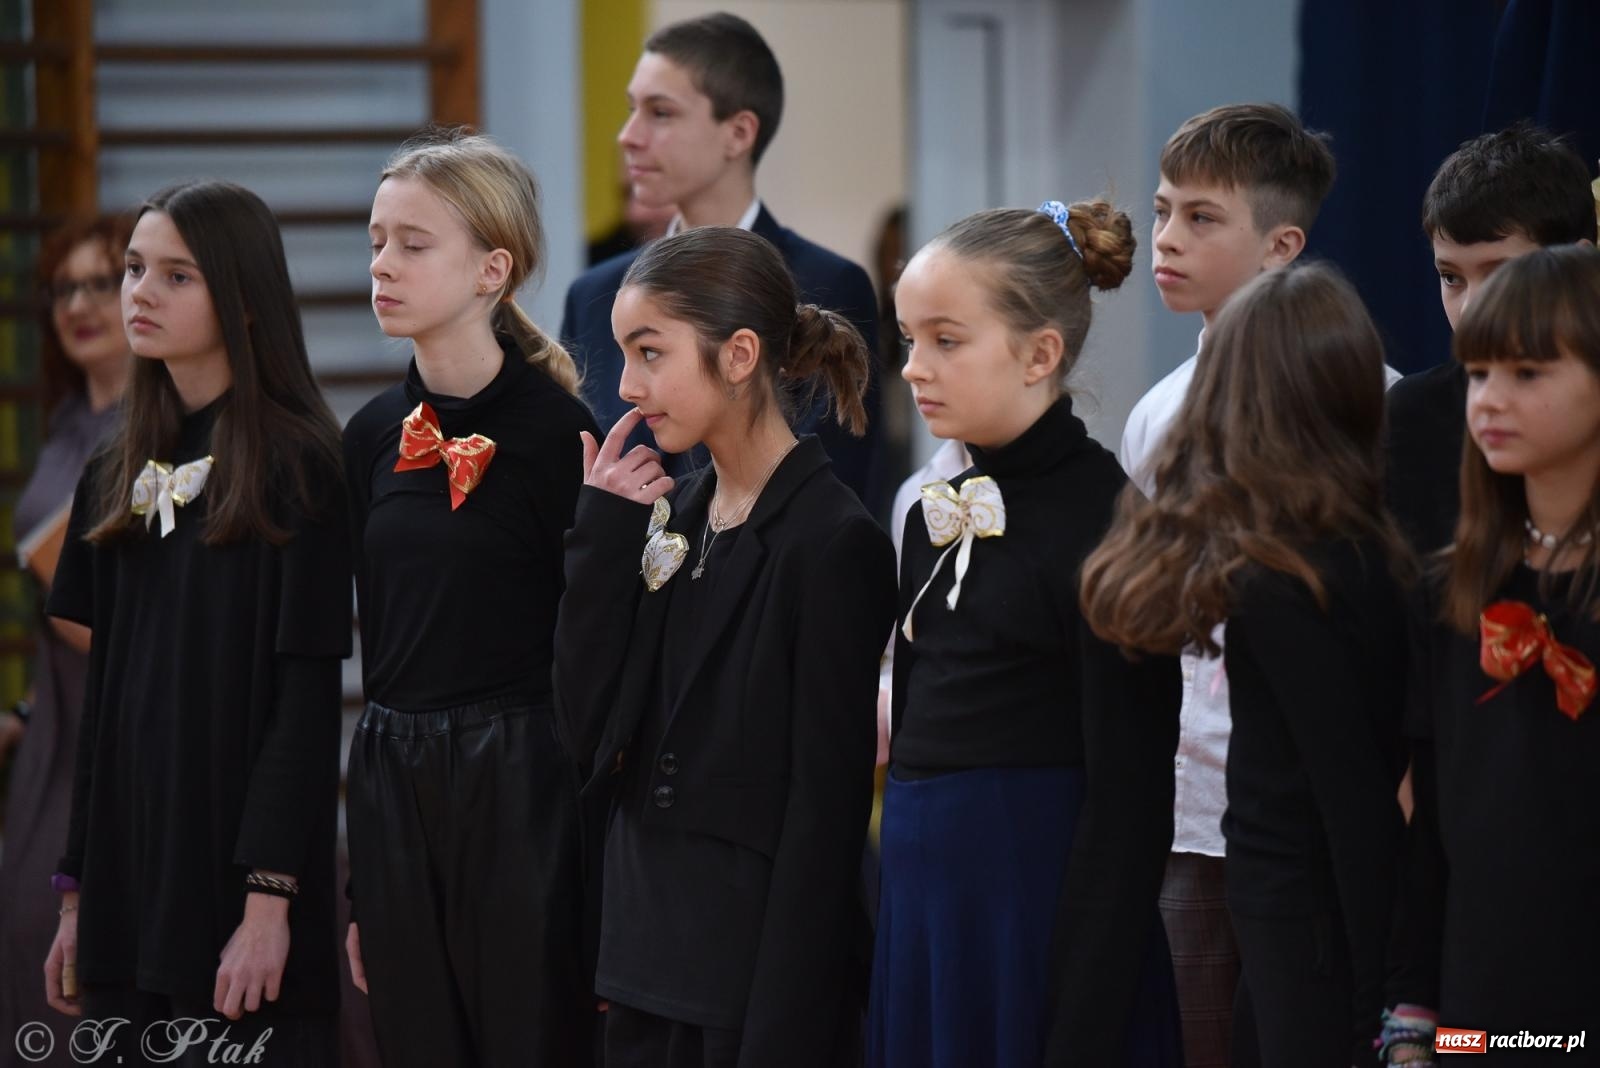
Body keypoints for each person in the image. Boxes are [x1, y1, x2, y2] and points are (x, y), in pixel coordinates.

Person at [555, 225, 895, 1068]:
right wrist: (600, 542)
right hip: (642, 957)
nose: (627, 387)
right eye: (624, 355)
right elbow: (587, 732)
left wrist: (782, 1026)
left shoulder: (832, 541)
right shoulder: (672, 512)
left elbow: (824, 815)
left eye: (650, 353)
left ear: (739, 355)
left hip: (748, 980)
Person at [42, 180, 349, 1065]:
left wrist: (268, 901)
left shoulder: (299, 464)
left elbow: (304, 702)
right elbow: (105, 700)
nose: (139, 293)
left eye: (177, 276)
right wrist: (76, 895)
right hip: (128, 881)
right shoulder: (115, 467)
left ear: (245, 302)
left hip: (236, 886)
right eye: (136, 269)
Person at [871, 200, 1182, 1067]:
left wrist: (1080, 1022)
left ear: (1040, 354)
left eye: (946, 340)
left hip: (1037, 918)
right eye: (908, 339)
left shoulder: (1111, 526)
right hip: (929, 911)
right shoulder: (927, 516)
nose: (913, 367)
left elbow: (1130, 803)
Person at [1085, 262, 1413, 1067]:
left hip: (1307, 915)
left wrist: (1388, 1008)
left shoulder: (1296, 579)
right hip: (1284, 902)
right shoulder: (1320, 552)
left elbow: (1355, 799)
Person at [341, 130, 597, 1067]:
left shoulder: (561, 435)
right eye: (377, 241)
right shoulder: (372, 434)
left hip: (521, 774)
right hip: (391, 772)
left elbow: (594, 648)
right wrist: (365, 886)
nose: (382, 264)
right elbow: (381, 639)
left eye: (413, 244)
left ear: (493, 269)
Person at [1116, 102, 1357, 1067]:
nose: (1168, 238)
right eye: (1163, 211)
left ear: (1280, 246)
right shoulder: (1156, 415)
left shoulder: (1364, 400)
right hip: (1189, 804)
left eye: (1202, 217)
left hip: (1310, 806)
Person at [1382, 245, 1600, 1067]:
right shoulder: (1454, 588)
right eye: (1478, 374)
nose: (1491, 400)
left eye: (1528, 372)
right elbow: (1432, 822)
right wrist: (1413, 1020)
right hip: (1481, 1014)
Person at [560, 11, 883, 503]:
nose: (628, 135)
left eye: (660, 113)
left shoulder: (827, 282)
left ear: (738, 132)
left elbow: (834, 491)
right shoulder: (593, 294)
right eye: (631, 110)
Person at [0, 215, 131, 1068]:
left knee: (74, 950)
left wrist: (69, 592)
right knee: (23, 933)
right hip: (55, 730)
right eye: (64, 288)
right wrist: (21, 715)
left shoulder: (162, 427)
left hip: (124, 733)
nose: (79, 305)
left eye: (101, 283)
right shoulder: (64, 423)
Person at [1385, 123, 1597, 554]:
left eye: (1501, 274)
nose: (1471, 309)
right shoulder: (1411, 414)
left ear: (1578, 263)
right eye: (1451, 277)